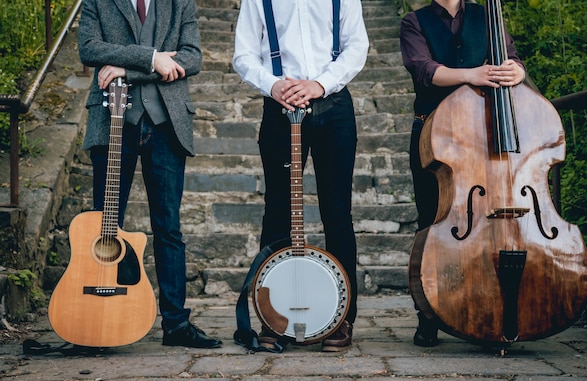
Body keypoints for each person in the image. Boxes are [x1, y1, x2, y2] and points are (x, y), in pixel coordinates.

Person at [78, 0, 222, 348]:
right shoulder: (97, 1)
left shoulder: (181, 3)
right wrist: (154, 57)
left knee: (169, 227)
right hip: (112, 120)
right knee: (105, 226)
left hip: (166, 123)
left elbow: (192, 58)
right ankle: (96, 317)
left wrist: (131, 68)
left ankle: (175, 324)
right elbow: (90, 48)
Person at [232, 0, 369, 352]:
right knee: (277, 210)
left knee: (337, 214)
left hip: (333, 105)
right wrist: (273, 85)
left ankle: (343, 319)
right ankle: (272, 316)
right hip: (280, 107)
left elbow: (357, 46)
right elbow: (244, 55)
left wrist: (320, 84)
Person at [400, 0, 526, 347]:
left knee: (487, 222)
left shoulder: (487, 15)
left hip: (484, 133)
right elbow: (424, 69)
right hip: (435, 135)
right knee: (432, 220)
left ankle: (489, 309)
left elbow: (511, 59)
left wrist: (517, 71)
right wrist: (473, 73)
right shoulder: (415, 21)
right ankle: (428, 314)